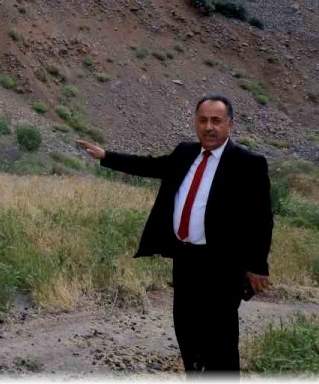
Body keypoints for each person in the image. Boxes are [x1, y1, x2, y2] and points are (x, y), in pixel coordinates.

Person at [76, 93, 272, 377]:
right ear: (195, 122)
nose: (209, 127)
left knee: (220, 336)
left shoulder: (248, 163)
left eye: (216, 121)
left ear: (230, 125)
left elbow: (261, 219)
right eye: (203, 120)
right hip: (185, 258)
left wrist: (257, 266)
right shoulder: (184, 153)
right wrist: (107, 157)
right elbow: (151, 166)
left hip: (223, 264)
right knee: (186, 328)